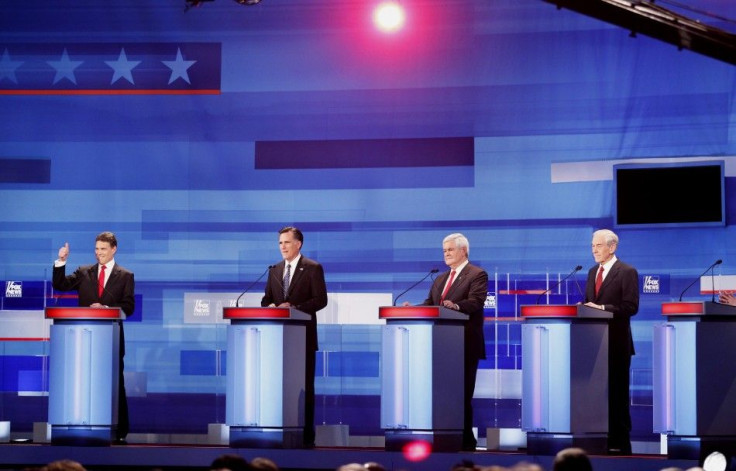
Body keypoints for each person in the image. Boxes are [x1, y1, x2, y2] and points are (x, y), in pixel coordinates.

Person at [405, 233, 488, 451]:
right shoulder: (440, 278)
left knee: (461, 395)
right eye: (444, 250)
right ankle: (444, 438)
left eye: (450, 249)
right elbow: (430, 304)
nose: (446, 254)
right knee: (442, 396)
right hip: (439, 348)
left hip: (464, 344)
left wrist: (456, 307)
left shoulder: (477, 274)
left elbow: (476, 302)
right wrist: (411, 309)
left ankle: (465, 441)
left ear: (464, 251)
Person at [52, 231, 135, 443]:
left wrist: (106, 308)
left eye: (103, 249)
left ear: (114, 249)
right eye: (97, 249)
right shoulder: (84, 272)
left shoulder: (125, 276)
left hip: (111, 339)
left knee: (114, 382)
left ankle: (119, 430)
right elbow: (60, 285)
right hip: (82, 339)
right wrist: (61, 261)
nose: (99, 254)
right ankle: (79, 425)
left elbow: (129, 307)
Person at [262, 226, 328, 448]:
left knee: (303, 388)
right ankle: (277, 433)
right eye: (280, 243)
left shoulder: (312, 268)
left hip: (303, 339)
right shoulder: (274, 269)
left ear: (298, 244)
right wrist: (272, 306)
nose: (282, 247)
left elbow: (320, 300)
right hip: (276, 342)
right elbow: (266, 299)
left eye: (287, 242)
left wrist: (295, 308)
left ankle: (306, 438)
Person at [583, 229, 639, 455]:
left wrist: (603, 309)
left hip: (616, 344)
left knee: (617, 394)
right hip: (592, 345)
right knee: (596, 394)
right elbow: (589, 304)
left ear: (612, 247)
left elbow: (630, 307)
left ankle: (620, 442)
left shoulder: (627, 272)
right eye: (592, 246)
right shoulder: (591, 272)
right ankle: (598, 439)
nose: (594, 249)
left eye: (598, 245)